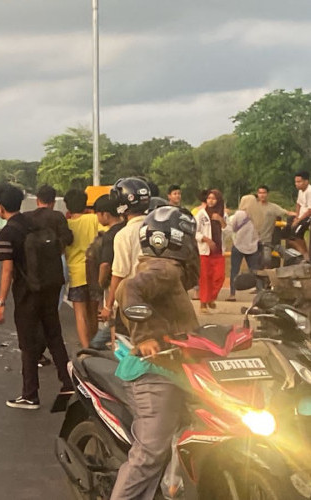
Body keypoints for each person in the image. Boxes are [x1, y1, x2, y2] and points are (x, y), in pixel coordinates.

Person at [110, 205, 200, 500]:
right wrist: (146, 336)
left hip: (176, 368)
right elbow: (129, 290)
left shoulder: (163, 268)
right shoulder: (165, 268)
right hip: (155, 373)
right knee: (150, 452)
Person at [0, 183, 72, 409]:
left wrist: (1, 302)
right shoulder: (34, 222)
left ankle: (30, 394)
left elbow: (7, 270)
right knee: (54, 335)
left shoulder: (8, 232)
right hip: (49, 286)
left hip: (28, 292)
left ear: (0, 208)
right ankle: (67, 382)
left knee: (28, 343)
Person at [99, 178, 151, 334]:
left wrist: (108, 306)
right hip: (156, 299)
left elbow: (119, 274)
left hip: (131, 301)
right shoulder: (156, 228)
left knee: (125, 349)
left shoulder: (124, 235)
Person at [64, 188, 101, 348]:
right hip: (94, 273)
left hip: (76, 274)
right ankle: (94, 344)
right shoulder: (93, 219)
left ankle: (85, 348)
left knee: (80, 314)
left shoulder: (66, 224)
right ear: (85, 205)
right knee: (93, 312)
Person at [89, 195, 125, 350]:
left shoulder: (110, 236)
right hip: (131, 286)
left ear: (105, 214)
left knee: (111, 331)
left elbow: (105, 265)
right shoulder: (126, 228)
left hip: (115, 288)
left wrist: (100, 283)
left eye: (97, 214)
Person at [30, 185, 74, 308]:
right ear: (53, 202)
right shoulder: (58, 216)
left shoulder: (28, 217)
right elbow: (68, 238)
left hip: (33, 260)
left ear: (37, 200)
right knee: (55, 298)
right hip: (56, 260)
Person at [195, 189, 227, 313]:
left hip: (218, 251)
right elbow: (194, 231)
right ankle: (203, 303)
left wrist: (220, 220)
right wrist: (206, 239)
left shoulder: (223, 214)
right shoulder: (201, 214)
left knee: (219, 277)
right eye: (209, 198)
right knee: (205, 278)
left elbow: (228, 231)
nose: (211, 201)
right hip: (205, 251)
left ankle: (211, 298)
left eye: (213, 198)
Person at [225, 195, 261, 301]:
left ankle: (232, 294)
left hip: (238, 244)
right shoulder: (258, 215)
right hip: (253, 246)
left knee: (234, 270)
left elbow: (233, 227)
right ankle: (260, 293)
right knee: (256, 271)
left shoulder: (239, 214)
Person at [252, 185, 293, 267]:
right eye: (260, 193)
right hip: (253, 239)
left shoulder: (273, 207)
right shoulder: (253, 206)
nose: (262, 195)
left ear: (267, 194)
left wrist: (299, 216)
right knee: (254, 262)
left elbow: (286, 213)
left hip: (266, 239)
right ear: (257, 194)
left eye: (264, 193)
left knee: (267, 260)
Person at [288, 171, 311, 261]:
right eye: (295, 182)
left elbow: (310, 210)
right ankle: (304, 254)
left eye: (299, 182)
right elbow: (298, 203)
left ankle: (305, 255)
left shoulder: (309, 191)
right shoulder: (301, 191)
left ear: (306, 182)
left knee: (296, 234)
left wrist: (298, 220)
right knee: (291, 235)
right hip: (302, 216)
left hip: (308, 216)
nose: (296, 184)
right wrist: (296, 216)